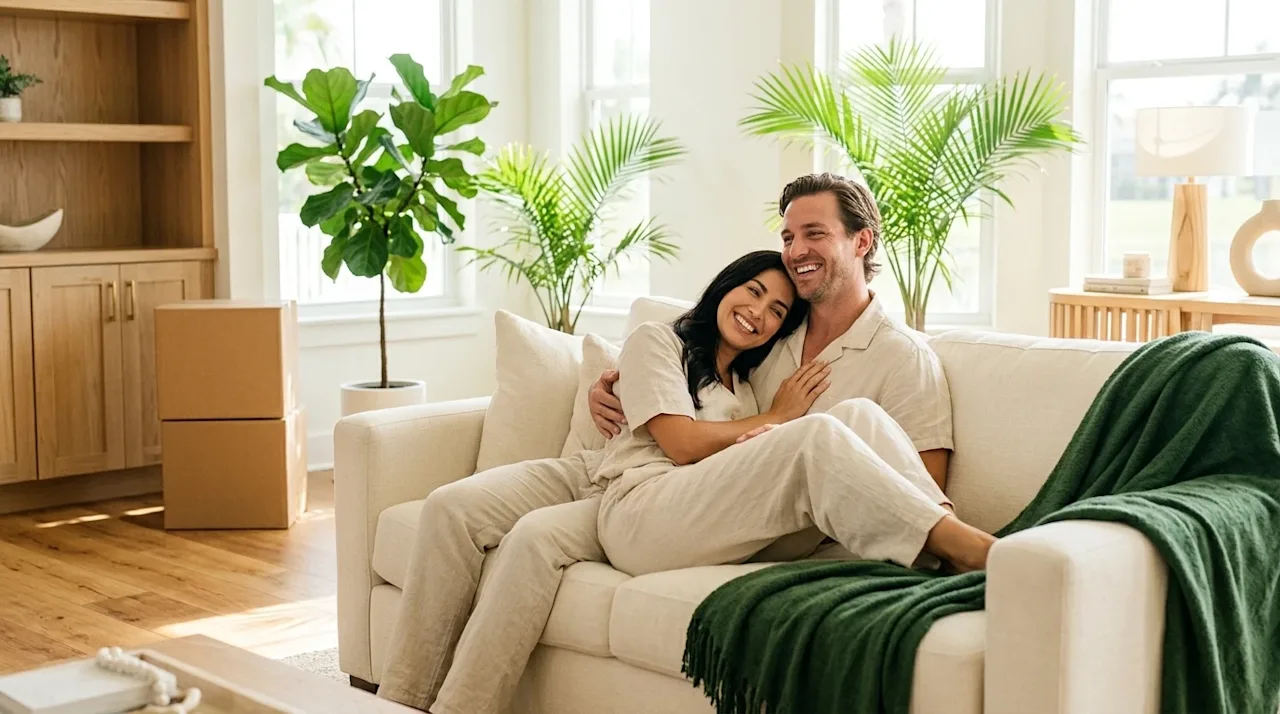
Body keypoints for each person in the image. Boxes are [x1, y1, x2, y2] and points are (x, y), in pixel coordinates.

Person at [376, 250, 813, 714]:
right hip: (593, 467)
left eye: (776, 312)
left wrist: (772, 418)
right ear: (729, 283)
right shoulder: (663, 341)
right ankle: (401, 699)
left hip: (640, 495)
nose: (757, 313)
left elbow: (693, 463)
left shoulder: (745, 395)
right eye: (754, 292)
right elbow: (681, 438)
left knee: (534, 539)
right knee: (449, 507)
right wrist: (776, 416)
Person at [588, 172, 997, 572]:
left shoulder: (904, 356)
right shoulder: (767, 337)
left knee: (858, 416)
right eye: (788, 237)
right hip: (684, 508)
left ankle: (951, 549)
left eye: (814, 233)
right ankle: (976, 551)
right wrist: (615, 382)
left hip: (789, 528)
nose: (796, 250)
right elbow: (690, 346)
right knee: (818, 431)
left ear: (862, 241)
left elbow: (926, 481)